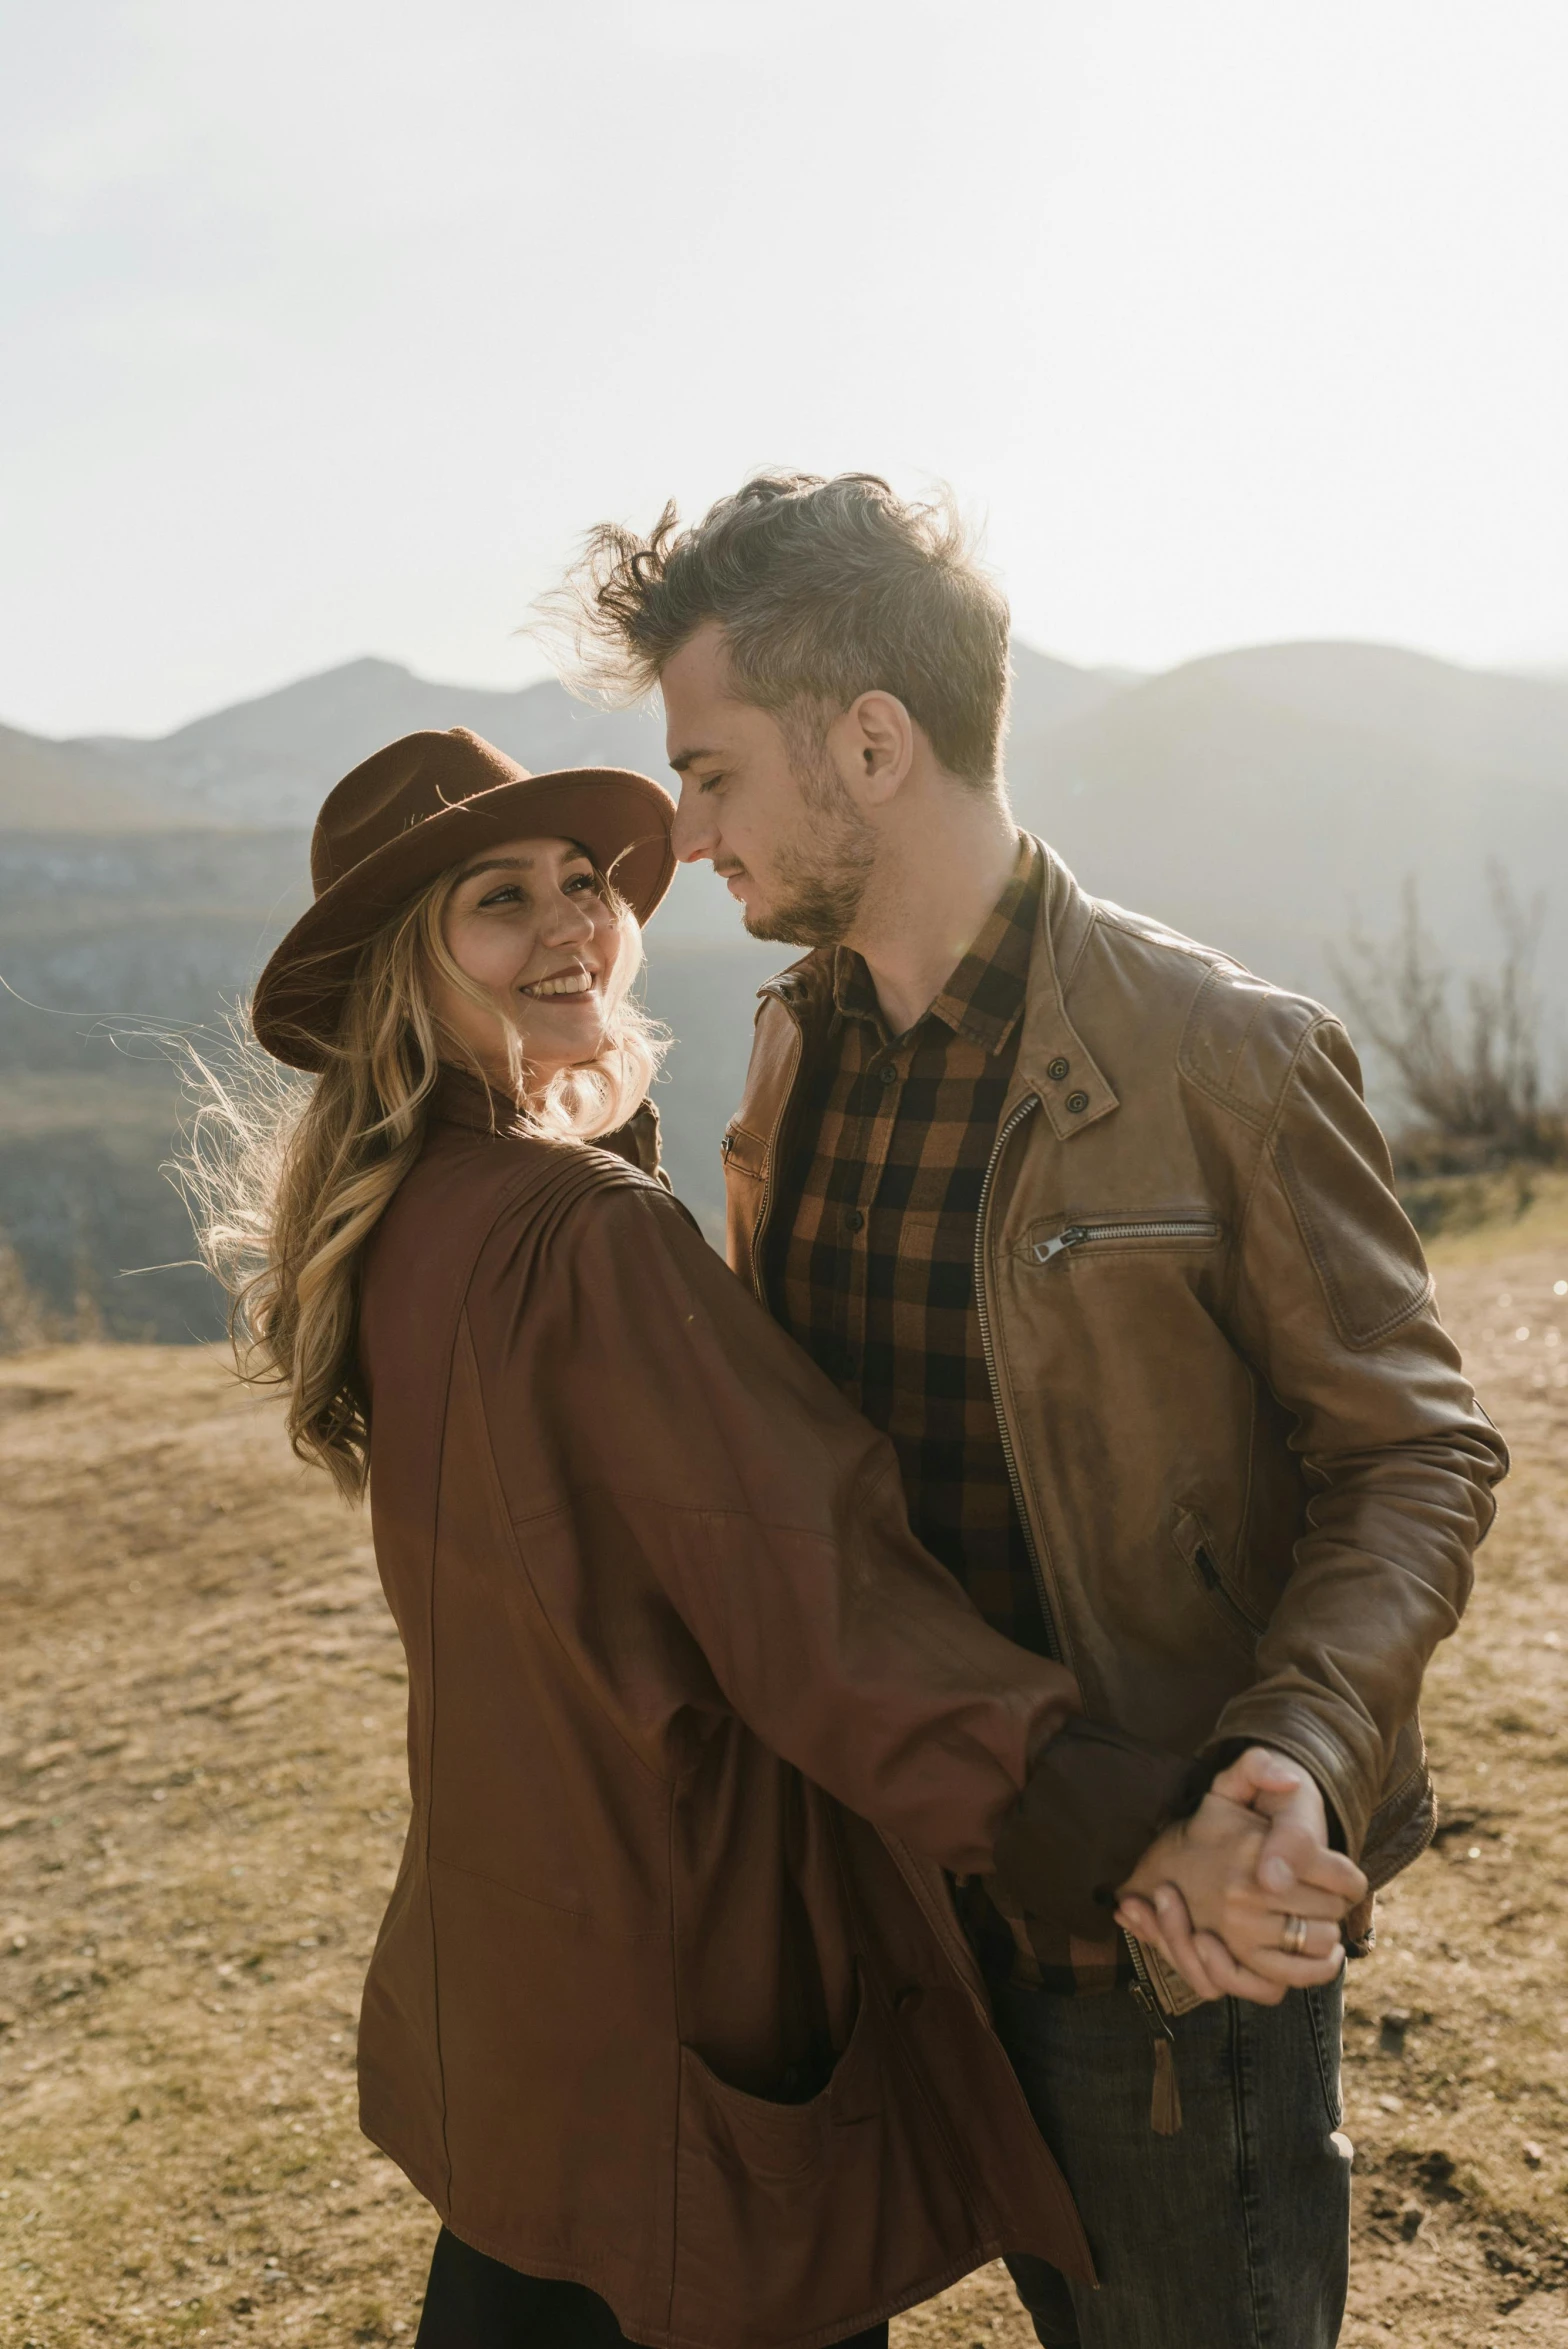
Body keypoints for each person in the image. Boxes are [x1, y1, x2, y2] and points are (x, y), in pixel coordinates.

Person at [192, 725, 1358, 2349]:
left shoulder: (404, 1218)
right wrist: (1114, 1820)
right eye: (498, 902)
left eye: (587, 883)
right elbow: (815, 1593)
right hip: (687, 1971)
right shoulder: (577, 1239)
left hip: (526, 1969)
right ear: (407, 970)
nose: (574, 927)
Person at [552, 473, 1509, 2349]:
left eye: (713, 770)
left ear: (874, 742)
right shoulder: (794, 1041)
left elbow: (1413, 1453)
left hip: (1157, 1929)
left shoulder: (1223, 1056)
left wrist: (1296, 1755)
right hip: (888, 1908)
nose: (683, 832)